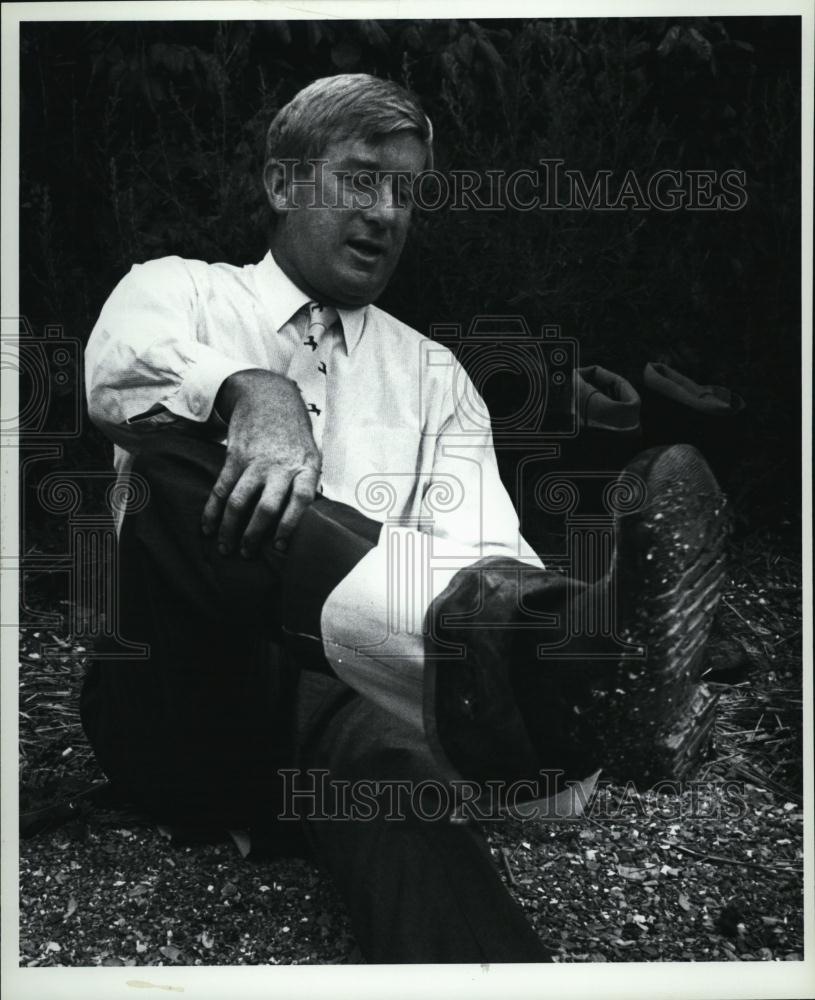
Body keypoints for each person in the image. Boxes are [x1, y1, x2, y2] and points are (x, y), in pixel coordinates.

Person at [81, 73, 729, 963]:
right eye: (359, 180)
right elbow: (113, 379)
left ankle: (539, 705)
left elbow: (481, 555)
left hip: (345, 709)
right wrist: (250, 392)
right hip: (181, 706)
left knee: (402, 785)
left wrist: (507, 623)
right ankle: (549, 679)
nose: (385, 213)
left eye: (407, 192)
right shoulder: (180, 291)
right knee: (166, 454)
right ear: (280, 185)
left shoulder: (435, 377)